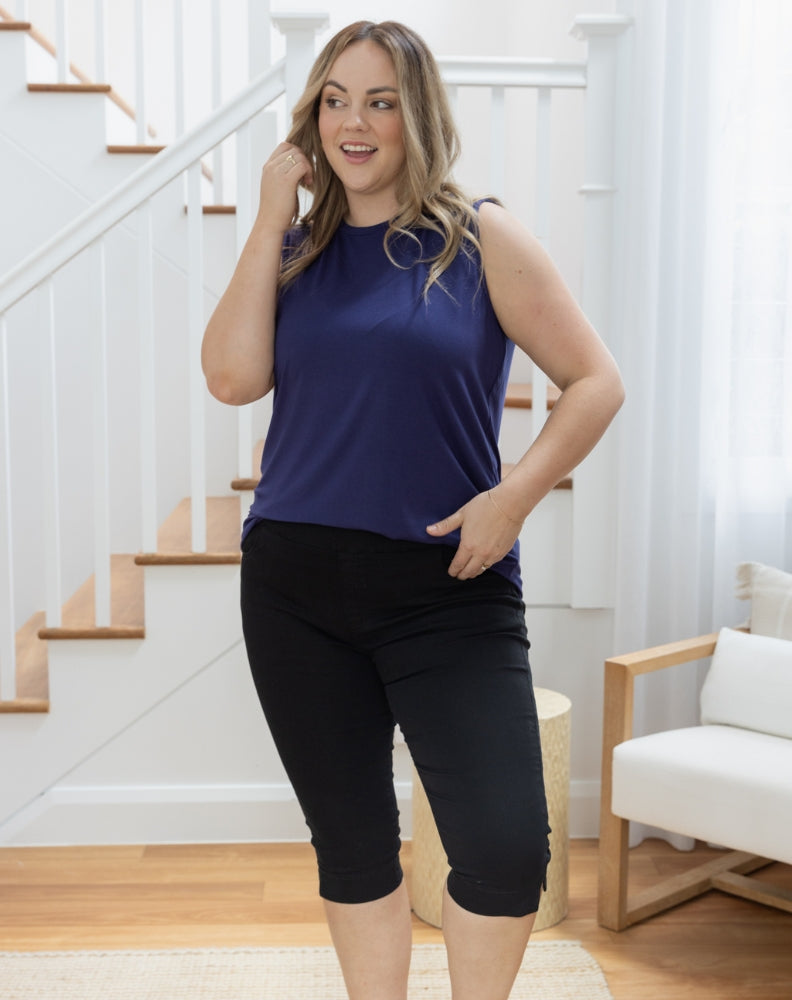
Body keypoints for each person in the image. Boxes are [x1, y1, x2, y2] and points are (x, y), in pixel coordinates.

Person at [202, 19, 624, 1000]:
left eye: (380, 102)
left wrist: (514, 498)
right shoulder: (294, 251)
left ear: (417, 115)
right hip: (295, 585)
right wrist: (269, 216)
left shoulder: (478, 236)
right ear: (312, 118)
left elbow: (596, 380)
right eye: (336, 100)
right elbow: (232, 378)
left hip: (450, 582)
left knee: (506, 849)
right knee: (352, 842)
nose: (354, 122)